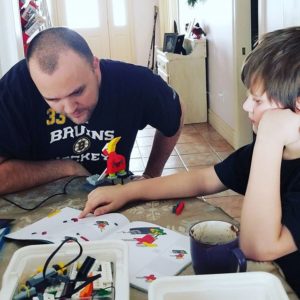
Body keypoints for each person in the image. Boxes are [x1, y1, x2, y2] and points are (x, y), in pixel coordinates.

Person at [80, 26, 300, 296]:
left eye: (256, 100)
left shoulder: (270, 146)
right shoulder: (271, 151)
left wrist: (269, 138)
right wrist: (127, 191)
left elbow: (258, 245)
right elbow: (203, 179)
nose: (245, 107)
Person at [0, 27, 183, 195]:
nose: (71, 108)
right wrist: (65, 168)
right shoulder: (15, 88)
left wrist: (151, 176)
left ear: (95, 66)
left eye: (78, 91)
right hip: (39, 203)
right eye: (53, 99)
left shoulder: (133, 82)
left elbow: (174, 114)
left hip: (113, 194)